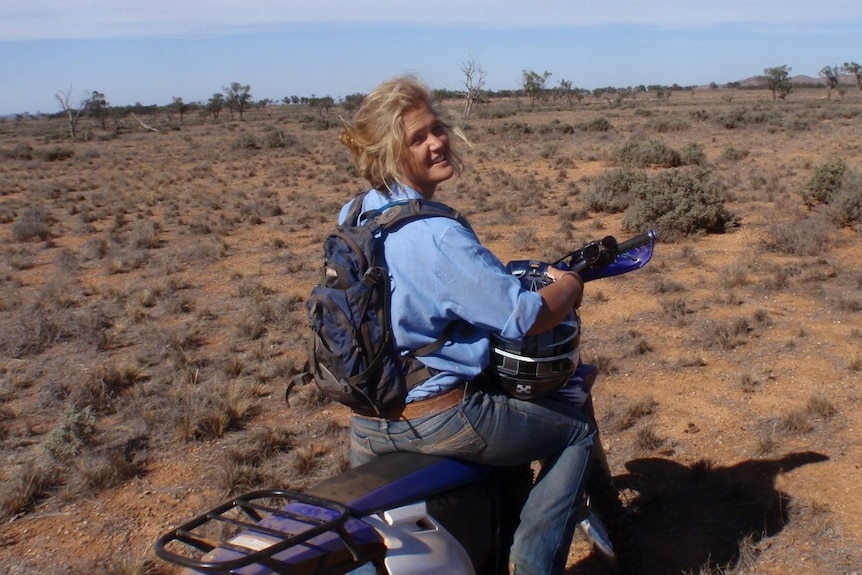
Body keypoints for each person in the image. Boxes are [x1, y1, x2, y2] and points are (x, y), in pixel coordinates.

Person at [337, 76, 595, 575]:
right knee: (576, 434)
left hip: (368, 417)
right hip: (439, 417)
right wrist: (570, 285)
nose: (437, 142)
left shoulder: (356, 213)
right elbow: (524, 317)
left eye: (436, 128)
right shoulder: (434, 234)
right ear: (390, 154)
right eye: (417, 138)